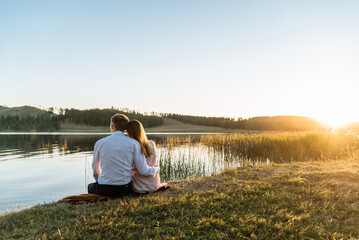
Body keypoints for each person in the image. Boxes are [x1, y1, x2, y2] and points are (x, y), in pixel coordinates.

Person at [88, 114, 159, 198]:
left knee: (90, 186)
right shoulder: (134, 143)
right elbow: (143, 170)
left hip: (104, 188)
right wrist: (156, 169)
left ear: (112, 126)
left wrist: (100, 181)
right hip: (124, 189)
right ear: (125, 129)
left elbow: (95, 171)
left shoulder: (100, 142)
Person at [127, 119, 167, 193]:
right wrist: (157, 169)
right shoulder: (151, 143)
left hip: (139, 186)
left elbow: (139, 170)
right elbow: (154, 161)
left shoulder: (133, 147)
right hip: (154, 184)